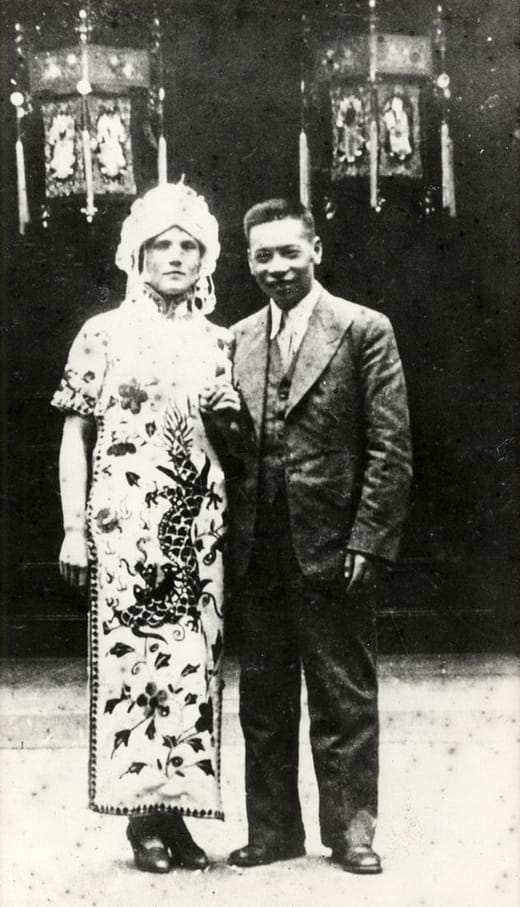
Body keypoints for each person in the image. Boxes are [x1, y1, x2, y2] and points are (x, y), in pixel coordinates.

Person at [52, 181, 239, 873]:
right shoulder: (102, 334)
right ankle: (142, 821)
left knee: (194, 668)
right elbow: (75, 437)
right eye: (162, 244)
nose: (176, 256)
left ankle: (179, 817)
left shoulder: (222, 340)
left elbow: (237, 441)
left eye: (189, 245)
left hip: (200, 530)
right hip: (125, 527)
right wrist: (74, 529)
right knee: (136, 667)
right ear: (137, 253)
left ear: (206, 257)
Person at [222, 198, 412, 874]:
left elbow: (390, 447)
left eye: (288, 251)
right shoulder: (235, 339)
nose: (276, 266)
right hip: (255, 547)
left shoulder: (363, 329)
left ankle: (351, 832)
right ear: (248, 262)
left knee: (344, 695)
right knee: (262, 699)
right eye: (262, 255)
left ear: (316, 251)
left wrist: (369, 539)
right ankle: (273, 830)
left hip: (334, 546)